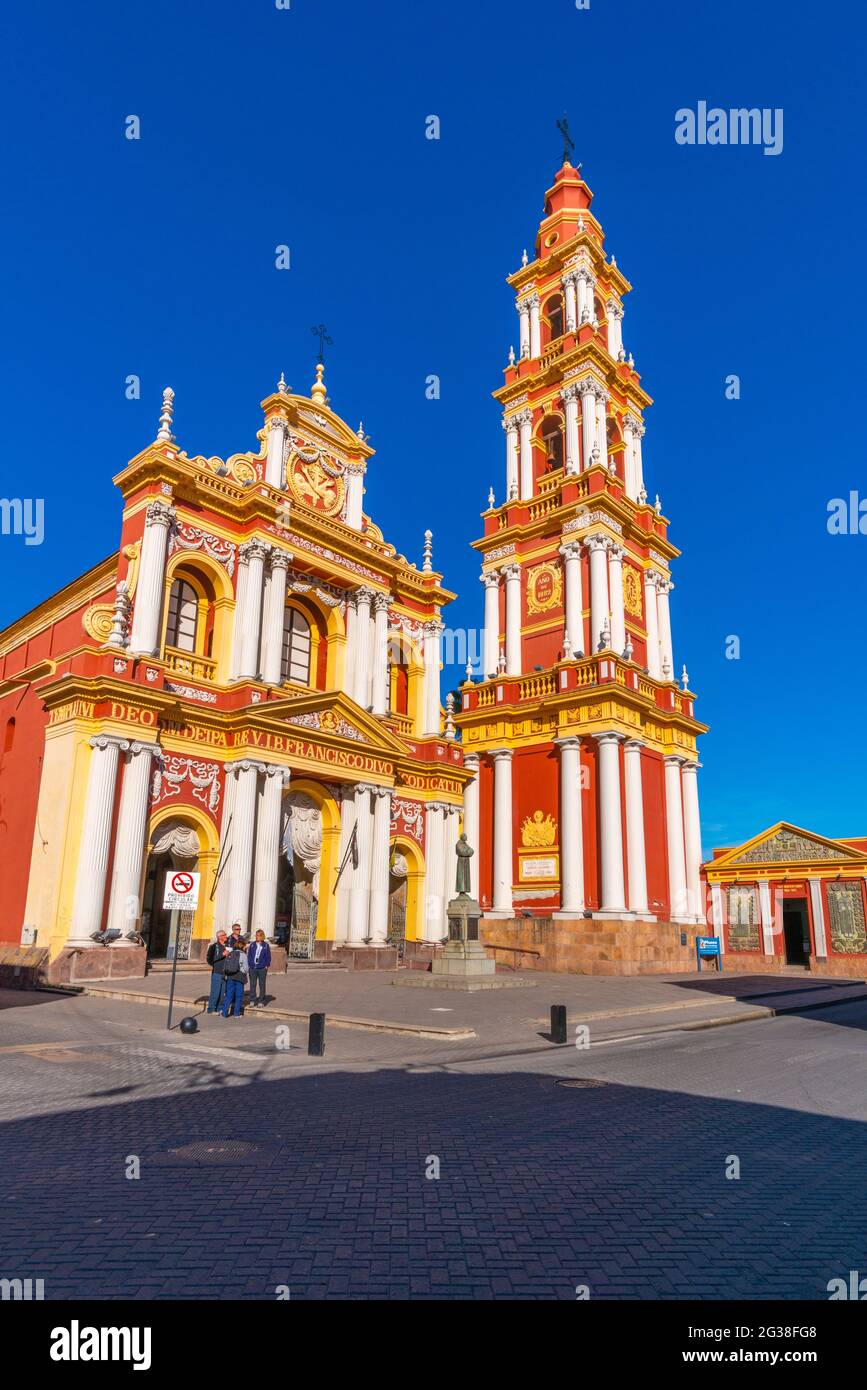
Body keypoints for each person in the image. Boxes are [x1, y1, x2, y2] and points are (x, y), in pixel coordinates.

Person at [221, 937, 248, 1019]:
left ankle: (224, 1013)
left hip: (230, 976)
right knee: (239, 995)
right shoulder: (243, 955)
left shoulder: (231, 953)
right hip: (239, 977)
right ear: (242, 946)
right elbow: (246, 968)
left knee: (229, 995)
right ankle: (236, 1013)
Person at [206, 930, 229, 1014]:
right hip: (217, 972)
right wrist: (222, 955)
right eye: (225, 934)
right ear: (220, 937)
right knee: (215, 992)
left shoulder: (227, 946)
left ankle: (219, 1009)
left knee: (222, 992)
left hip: (226, 973)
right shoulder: (214, 946)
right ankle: (211, 1009)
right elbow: (210, 959)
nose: (226, 936)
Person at [247, 929, 272, 1008]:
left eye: (258, 935)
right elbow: (249, 955)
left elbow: (268, 956)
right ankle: (252, 1000)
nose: (257, 937)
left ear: (262, 936)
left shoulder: (266, 945)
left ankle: (261, 1001)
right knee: (252, 984)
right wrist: (250, 964)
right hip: (253, 968)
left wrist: (266, 965)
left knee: (262, 984)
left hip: (262, 968)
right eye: (256, 935)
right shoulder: (252, 944)